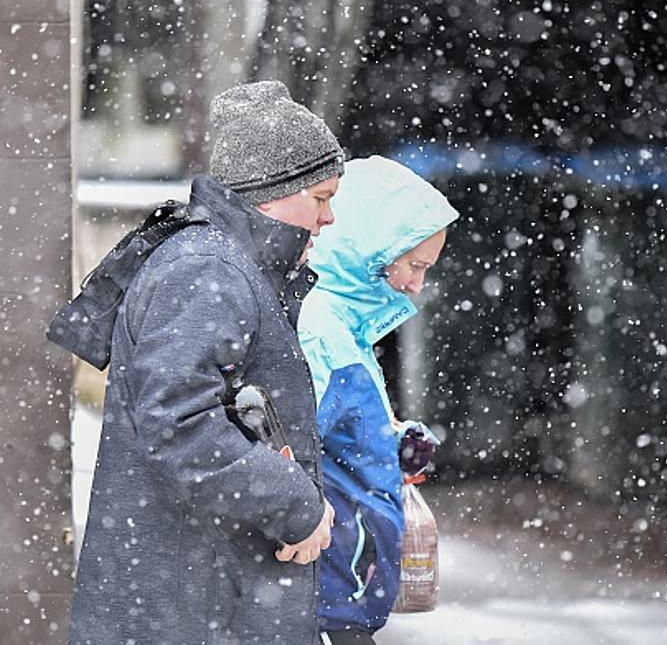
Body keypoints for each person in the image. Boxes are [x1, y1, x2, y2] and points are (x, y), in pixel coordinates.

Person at [52, 80, 343, 645]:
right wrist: (297, 505)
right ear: (272, 190)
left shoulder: (222, 265)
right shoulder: (208, 271)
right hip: (192, 609)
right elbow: (180, 425)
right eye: (322, 197)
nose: (329, 218)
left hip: (200, 599)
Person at [297, 156, 459, 644]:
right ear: (372, 249)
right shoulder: (321, 329)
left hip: (342, 587)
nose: (417, 285)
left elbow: (330, 430)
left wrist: (391, 441)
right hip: (328, 593)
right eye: (414, 265)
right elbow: (293, 453)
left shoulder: (343, 326)